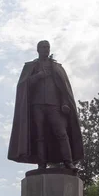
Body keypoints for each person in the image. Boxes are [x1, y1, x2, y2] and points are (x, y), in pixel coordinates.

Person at [8, 40, 83, 170]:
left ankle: (68, 162)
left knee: (61, 133)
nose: (46, 49)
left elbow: (64, 88)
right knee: (40, 136)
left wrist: (65, 103)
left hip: (55, 105)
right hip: (37, 105)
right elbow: (24, 85)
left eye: (47, 47)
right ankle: (41, 164)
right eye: (43, 47)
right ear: (38, 49)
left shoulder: (57, 67)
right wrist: (38, 76)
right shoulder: (31, 66)